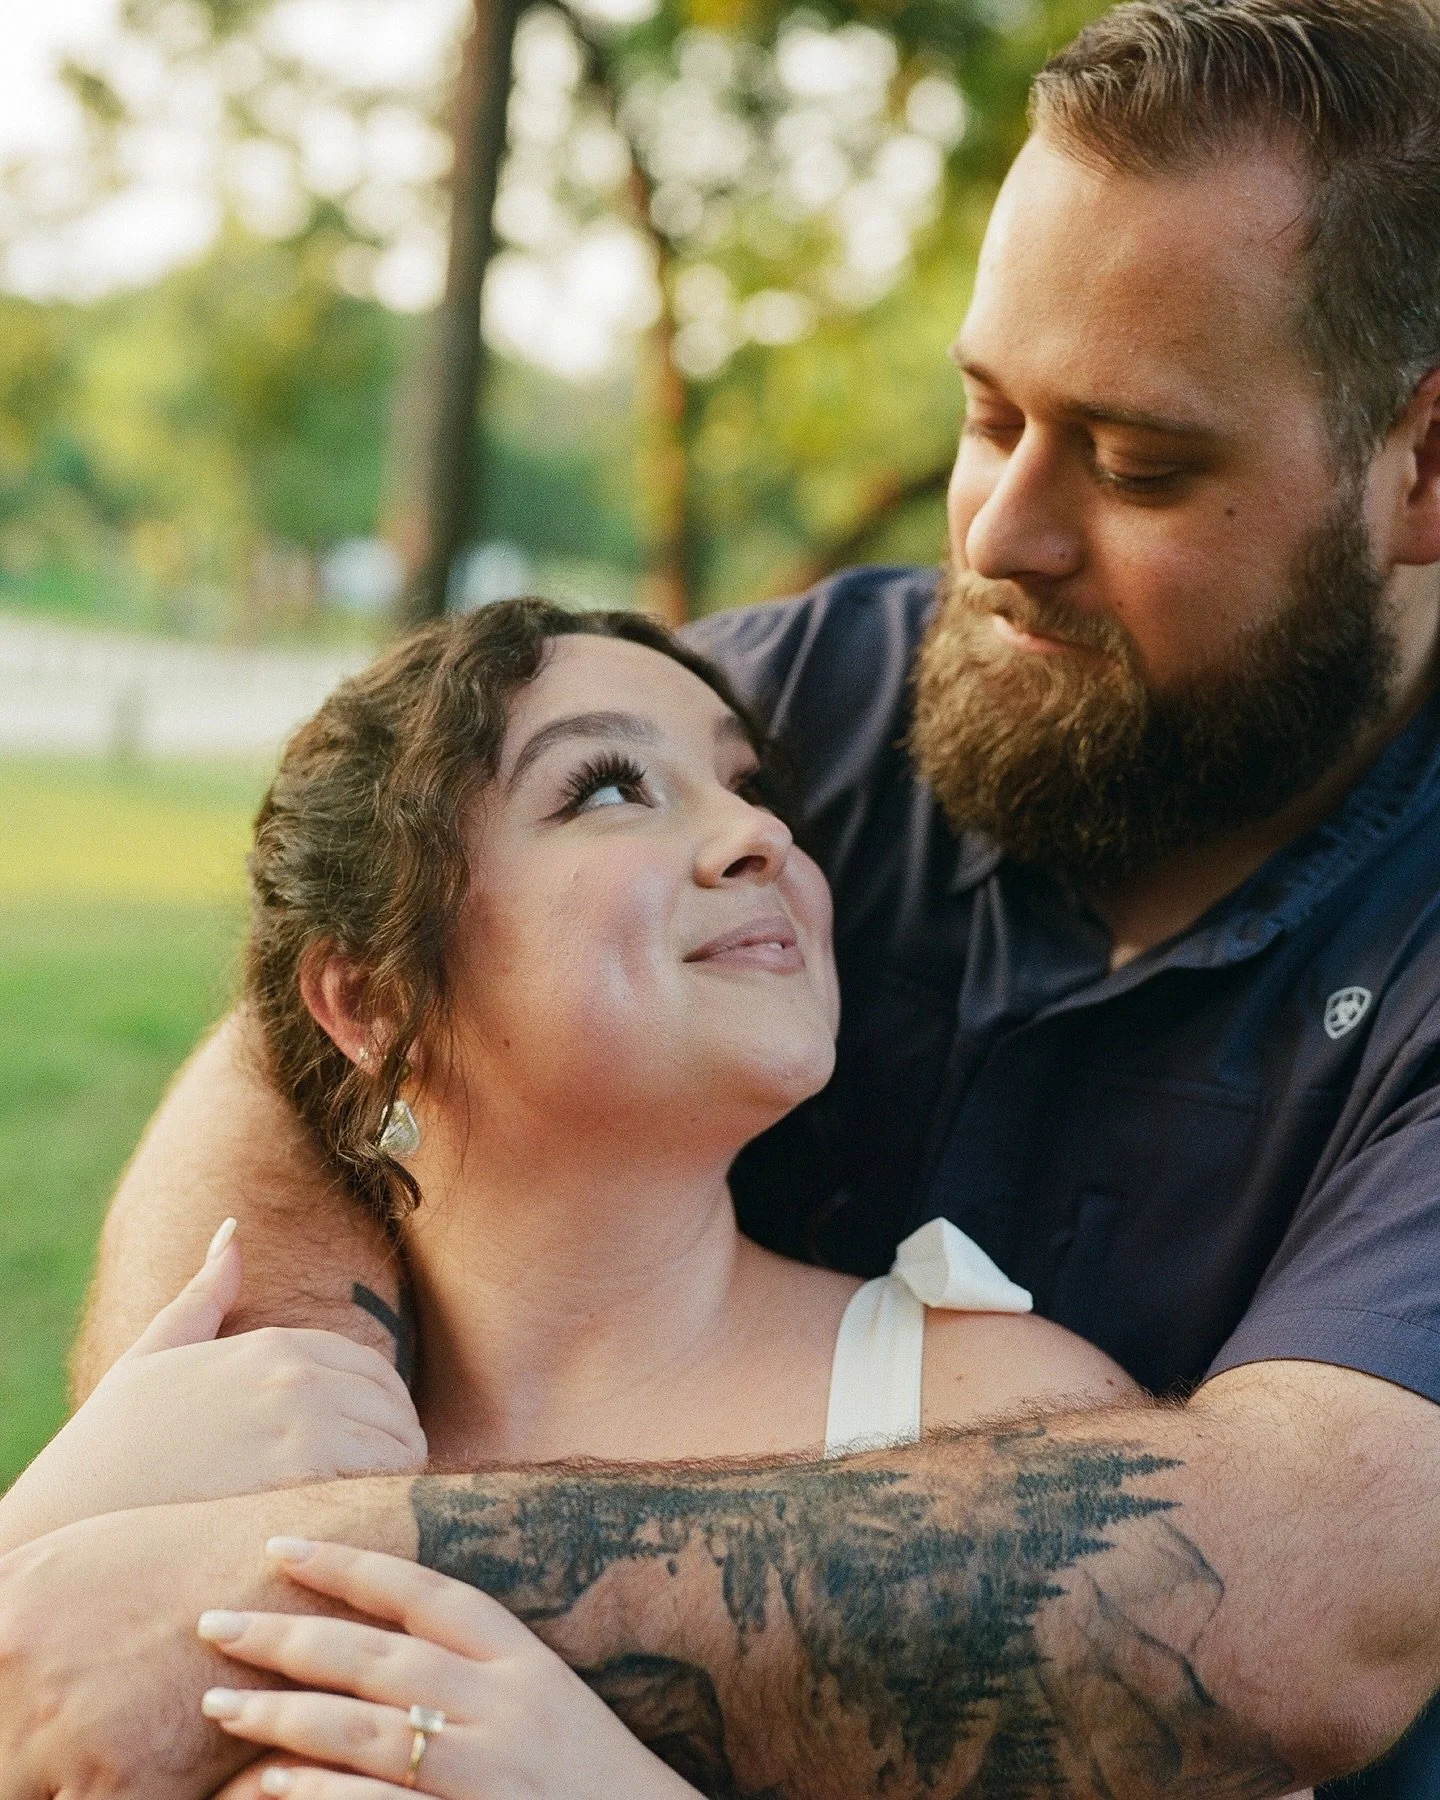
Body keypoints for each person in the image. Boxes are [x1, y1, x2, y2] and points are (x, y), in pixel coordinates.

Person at [5, 0, 1440, 1794]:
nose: (998, 536)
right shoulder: (828, 692)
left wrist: (288, 1587)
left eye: (1141, 462)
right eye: (987, 414)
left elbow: (1320, 1584)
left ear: (1422, 467)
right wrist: (245, 1442)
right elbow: (301, 1041)